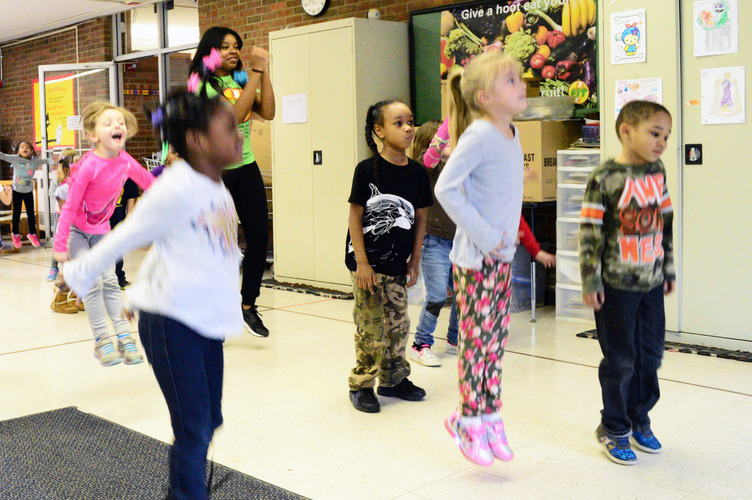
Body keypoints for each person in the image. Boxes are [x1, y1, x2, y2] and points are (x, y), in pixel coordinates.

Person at [58, 89, 244, 500]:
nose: (240, 135)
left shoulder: (213, 186)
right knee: (194, 427)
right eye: (229, 127)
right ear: (197, 139)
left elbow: (185, 249)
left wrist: (138, 290)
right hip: (173, 325)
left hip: (203, 321)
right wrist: (74, 270)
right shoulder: (177, 188)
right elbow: (127, 235)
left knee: (209, 420)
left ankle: (187, 486)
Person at [434, 53, 528, 466]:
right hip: (476, 260)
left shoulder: (512, 132)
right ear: (486, 96)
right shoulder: (479, 135)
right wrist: (487, 235)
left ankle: (488, 415)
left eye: (520, 78)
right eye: (511, 80)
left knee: (495, 343)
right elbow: (446, 189)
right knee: (476, 343)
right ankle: (468, 421)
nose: (521, 84)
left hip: (501, 259)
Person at [412, 99, 555, 369]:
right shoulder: (426, 168)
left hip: (459, 239)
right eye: (451, 140)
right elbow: (434, 154)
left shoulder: (466, 168)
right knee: (436, 294)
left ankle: (455, 339)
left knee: (459, 293)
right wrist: (450, 119)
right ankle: (421, 343)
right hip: (434, 240)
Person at [579, 100, 675, 465]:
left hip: (650, 283)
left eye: (665, 135)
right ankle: (614, 427)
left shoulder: (658, 171)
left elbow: (664, 222)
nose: (662, 141)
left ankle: (639, 419)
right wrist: (591, 281)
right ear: (626, 131)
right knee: (621, 360)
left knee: (649, 357)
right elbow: (589, 232)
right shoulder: (604, 177)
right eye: (655, 133)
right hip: (616, 286)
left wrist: (667, 269)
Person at [346, 99, 433, 414]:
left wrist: (415, 259)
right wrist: (362, 263)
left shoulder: (418, 173)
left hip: (399, 261)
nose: (408, 128)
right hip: (368, 264)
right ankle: (362, 384)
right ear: (379, 131)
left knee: (398, 323)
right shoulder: (367, 169)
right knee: (371, 327)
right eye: (399, 123)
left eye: (410, 121)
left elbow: (420, 219)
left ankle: (394, 379)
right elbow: (355, 216)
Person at [53, 101, 154, 367]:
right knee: (94, 284)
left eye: (120, 122)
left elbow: (149, 182)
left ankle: (123, 337)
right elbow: (70, 207)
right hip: (77, 233)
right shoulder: (88, 166)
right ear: (93, 135)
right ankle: (101, 341)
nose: (116, 126)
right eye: (108, 123)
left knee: (110, 281)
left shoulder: (125, 162)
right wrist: (60, 245)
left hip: (101, 232)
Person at [190, 26, 275, 338]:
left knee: (258, 238)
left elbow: (268, 111)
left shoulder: (241, 78)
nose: (233, 51)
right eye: (225, 46)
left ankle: (247, 305)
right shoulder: (201, 84)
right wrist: (255, 70)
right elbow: (236, 116)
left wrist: (263, 73)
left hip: (247, 167)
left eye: (237, 46)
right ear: (210, 51)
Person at [0, 141, 54, 249]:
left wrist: (54, 159)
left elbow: (44, 161)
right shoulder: (15, 159)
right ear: (18, 150)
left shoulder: (34, 162)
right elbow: (3, 156)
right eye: (22, 147)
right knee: (17, 213)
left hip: (28, 191)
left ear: (31, 150)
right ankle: (15, 234)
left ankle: (32, 233)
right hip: (17, 191)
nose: (25, 149)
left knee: (31, 213)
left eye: (27, 147)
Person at [48, 149, 79, 281]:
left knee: (74, 241)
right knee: (58, 239)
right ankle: (53, 267)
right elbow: (52, 193)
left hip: (76, 216)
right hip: (61, 214)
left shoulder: (79, 177)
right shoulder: (58, 177)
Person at [108, 179, 140, 289]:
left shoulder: (127, 177)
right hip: (99, 221)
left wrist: (129, 221)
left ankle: (119, 277)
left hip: (118, 219)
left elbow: (131, 199)